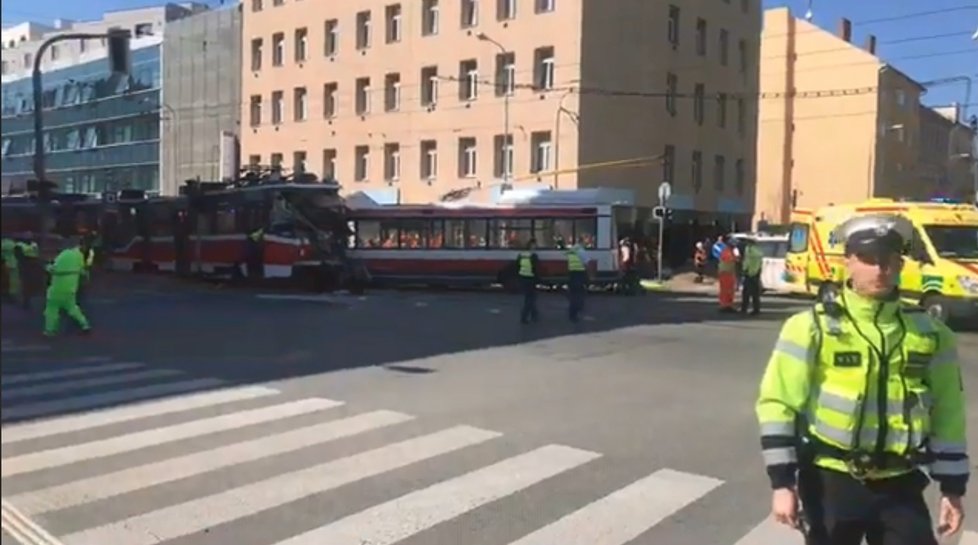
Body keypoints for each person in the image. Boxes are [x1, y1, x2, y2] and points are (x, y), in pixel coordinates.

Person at [755, 214, 967, 545]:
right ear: (849, 262)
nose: (880, 269)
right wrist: (782, 483)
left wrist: (952, 490)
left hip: (900, 483)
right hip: (831, 480)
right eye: (869, 259)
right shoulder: (812, 327)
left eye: (889, 260)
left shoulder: (930, 333)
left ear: (900, 264)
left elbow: (948, 413)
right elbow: (777, 403)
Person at [44, 237, 92, 337]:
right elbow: (82, 269)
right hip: (71, 286)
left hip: (58, 286)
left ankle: (49, 330)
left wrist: (47, 267)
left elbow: (54, 269)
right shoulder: (79, 255)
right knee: (73, 308)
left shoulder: (64, 254)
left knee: (52, 309)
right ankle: (85, 324)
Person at [516, 238, 540, 324]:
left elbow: (517, 266)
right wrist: (538, 279)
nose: (536, 246)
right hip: (530, 279)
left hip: (523, 278)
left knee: (529, 298)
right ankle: (525, 316)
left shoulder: (521, 254)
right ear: (532, 246)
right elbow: (536, 269)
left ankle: (534, 315)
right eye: (535, 245)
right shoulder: (533, 256)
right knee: (530, 299)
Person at [565, 241, 588, 322]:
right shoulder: (581, 251)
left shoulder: (570, 252)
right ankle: (577, 312)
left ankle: (572, 313)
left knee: (573, 295)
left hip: (571, 275)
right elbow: (586, 263)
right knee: (579, 295)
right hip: (579, 275)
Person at [740, 236, 764, 315]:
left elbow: (747, 261)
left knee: (746, 293)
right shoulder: (759, 250)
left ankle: (744, 309)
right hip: (756, 273)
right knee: (755, 293)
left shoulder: (749, 250)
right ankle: (756, 309)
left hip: (749, 273)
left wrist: (744, 269)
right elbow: (760, 263)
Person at [717, 236, 737, 312]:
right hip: (725, 273)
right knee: (725, 290)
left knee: (730, 290)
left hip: (730, 272)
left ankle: (729, 305)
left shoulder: (730, 251)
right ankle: (724, 305)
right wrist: (736, 258)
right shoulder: (726, 251)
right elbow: (730, 259)